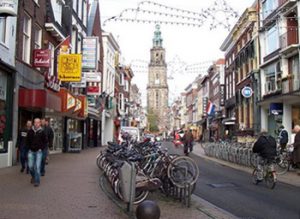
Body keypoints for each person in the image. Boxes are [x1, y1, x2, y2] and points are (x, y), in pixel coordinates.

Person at [27, 118, 47, 187]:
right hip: (31, 151)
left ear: (40, 123)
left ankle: (37, 181)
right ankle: (33, 176)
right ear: (33, 123)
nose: (36, 124)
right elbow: (27, 141)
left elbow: (45, 142)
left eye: (38, 122)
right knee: (30, 166)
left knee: (37, 167)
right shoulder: (30, 131)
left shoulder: (42, 132)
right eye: (35, 122)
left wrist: (41, 149)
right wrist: (29, 148)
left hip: (39, 152)